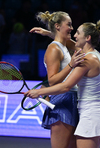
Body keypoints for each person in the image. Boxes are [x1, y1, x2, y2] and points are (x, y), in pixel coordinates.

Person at [26, 19, 100, 148]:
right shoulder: (93, 54)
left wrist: (38, 92)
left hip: (91, 114)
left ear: (87, 38)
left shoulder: (87, 59)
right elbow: (69, 43)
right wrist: (51, 33)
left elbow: (66, 86)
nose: (75, 35)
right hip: (88, 112)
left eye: (77, 33)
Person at [30, 11, 84, 148]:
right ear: (58, 26)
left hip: (72, 100)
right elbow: (53, 81)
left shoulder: (64, 46)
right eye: (69, 25)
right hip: (62, 101)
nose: (72, 28)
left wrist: (49, 33)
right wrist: (71, 65)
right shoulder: (53, 48)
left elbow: (80, 48)